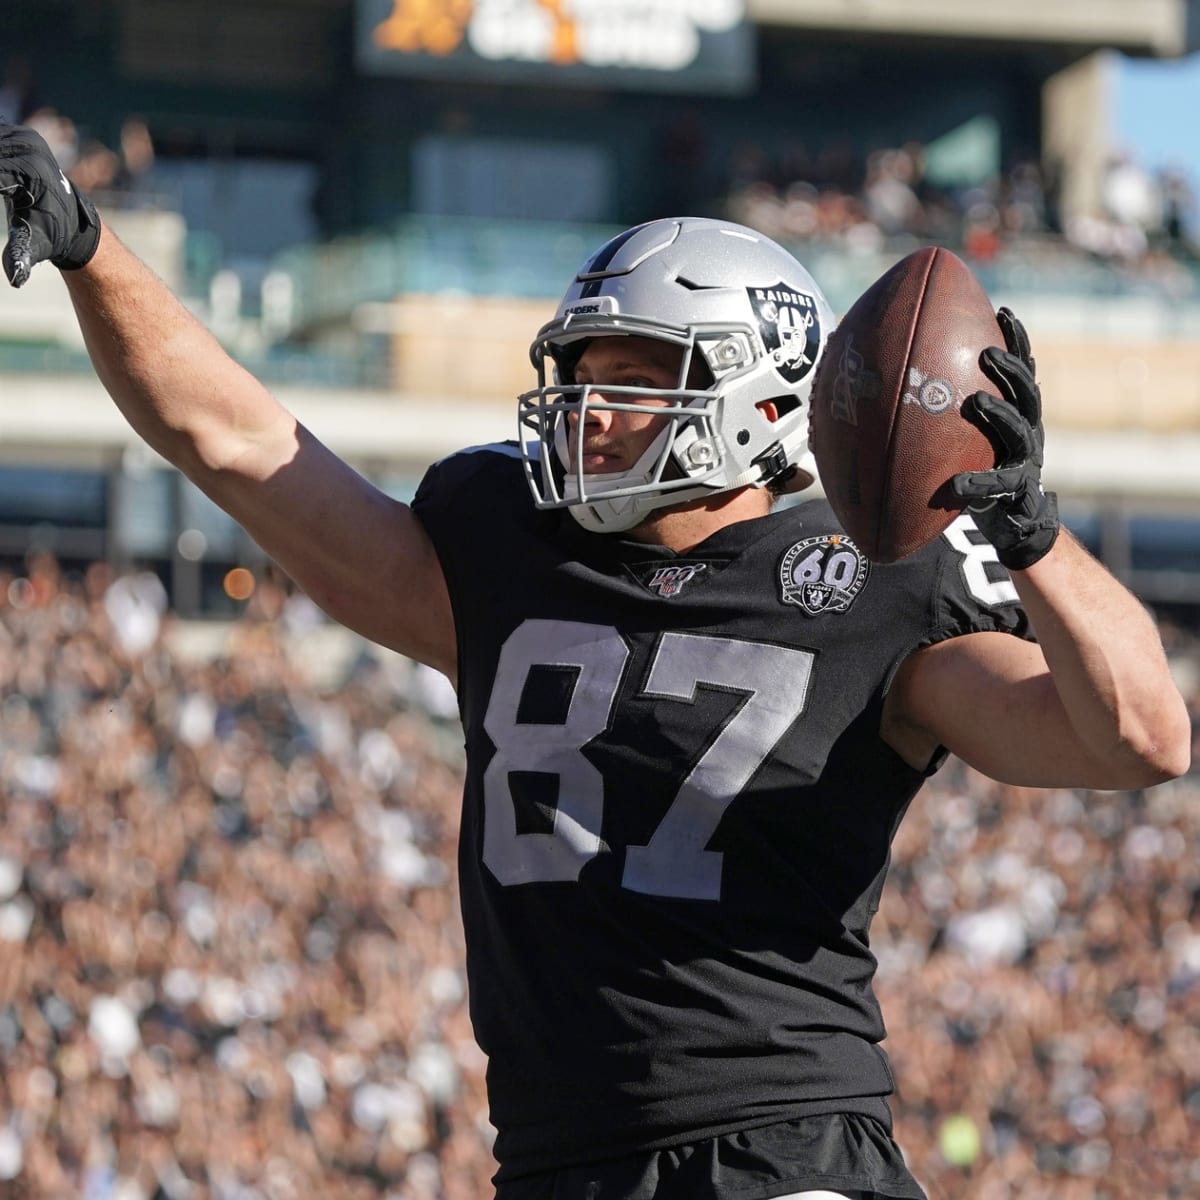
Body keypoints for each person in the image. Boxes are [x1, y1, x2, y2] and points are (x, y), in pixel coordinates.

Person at [0, 121, 1190, 1200]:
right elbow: (235, 441)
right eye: (582, 372)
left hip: (780, 1149)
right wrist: (89, 246)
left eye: (635, 375)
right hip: (554, 1158)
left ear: (758, 397)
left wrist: (1033, 534)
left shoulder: (875, 581)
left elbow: (1140, 740)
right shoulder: (504, 551)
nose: (587, 408)